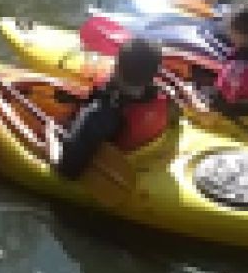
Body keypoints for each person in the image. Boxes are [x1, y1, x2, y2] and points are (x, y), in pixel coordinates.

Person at [48, 37, 169, 179]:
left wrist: (51, 133)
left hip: (106, 166)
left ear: (117, 66)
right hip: (141, 154)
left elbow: (66, 169)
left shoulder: (99, 114)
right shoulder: (163, 97)